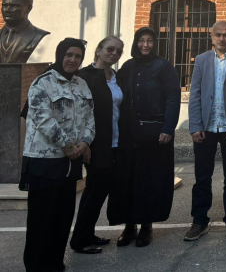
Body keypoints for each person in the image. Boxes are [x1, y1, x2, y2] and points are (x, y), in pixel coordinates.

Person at [21, 38, 94, 272]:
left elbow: (90, 117)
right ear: (60, 54)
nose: (73, 59)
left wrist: (84, 143)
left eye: (78, 56)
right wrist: (68, 146)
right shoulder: (43, 82)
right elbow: (42, 118)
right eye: (69, 54)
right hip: (45, 161)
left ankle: (54, 264)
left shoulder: (82, 84)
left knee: (63, 217)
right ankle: (36, 266)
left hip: (71, 162)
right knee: (42, 218)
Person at [108, 27, 180, 248]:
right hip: (129, 134)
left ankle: (147, 226)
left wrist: (168, 128)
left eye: (150, 41)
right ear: (135, 42)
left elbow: (173, 98)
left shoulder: (164, 67)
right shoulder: (128, 67)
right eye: (141, 40)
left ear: (155, 43)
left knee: (150, 181)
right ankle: (129, 226)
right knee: (128, 180)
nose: (145, 45)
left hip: (155, 135)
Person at [184, 21, 226, 242]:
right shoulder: (202, 60)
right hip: (206, 128)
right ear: (211, 36)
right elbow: (195, 94)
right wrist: (195, 125)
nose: (222, 38)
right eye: (218, 35)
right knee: (202, 177)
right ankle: (199, 221)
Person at [70, 36, 125, 254]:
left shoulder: (115, 77)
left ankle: (86, 233)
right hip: (95, 143)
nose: (114, 54)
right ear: (99, 50)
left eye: (118, 51)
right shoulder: (84, 76)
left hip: (114, 142)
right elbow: (79, 114)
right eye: (110, 49)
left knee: (98, 189)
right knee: (95, 190)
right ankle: (79, 240)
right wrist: (85, 144)